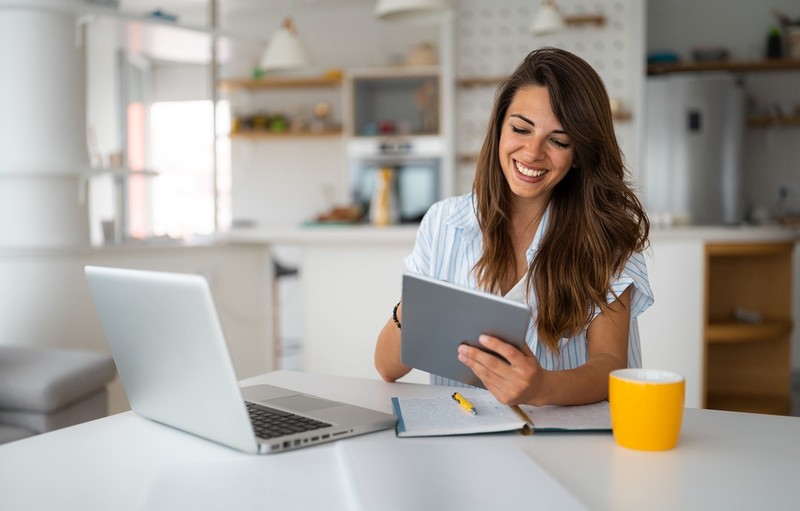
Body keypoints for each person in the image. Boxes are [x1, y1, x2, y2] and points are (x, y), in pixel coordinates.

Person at [374, 47, 654, 407]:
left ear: (580, 155)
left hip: (563, 446)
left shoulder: (606, 238)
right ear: (499, 128)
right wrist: (416, 307)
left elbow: (611, 367)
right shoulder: (443, 223)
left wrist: (541, 388)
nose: (533, 152)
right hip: (458, 443)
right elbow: (387, 367)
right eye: (521, 129)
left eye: (558, 140)